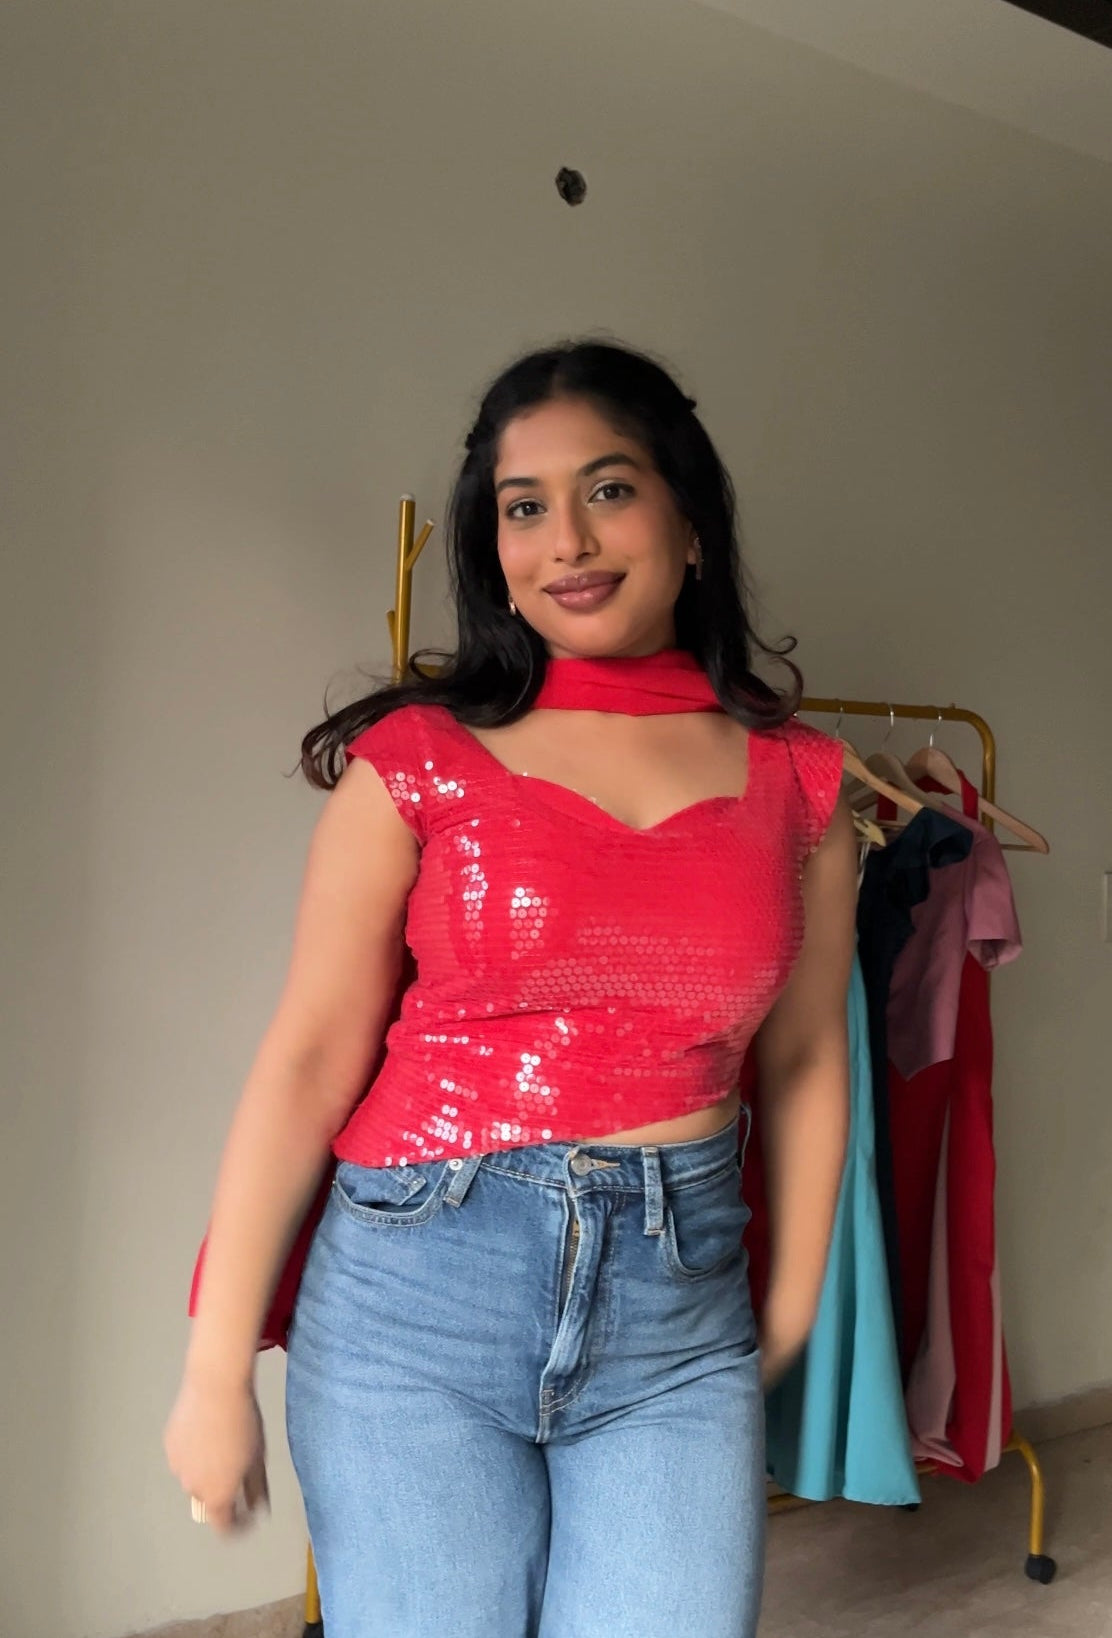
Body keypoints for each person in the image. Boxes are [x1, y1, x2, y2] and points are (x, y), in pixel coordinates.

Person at [165, 340, 856, 1638]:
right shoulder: (419, 757)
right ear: (494, 549)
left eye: (609, 489)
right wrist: (213, 1373)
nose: (567, 541)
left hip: (679, 1311)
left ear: (691, 523)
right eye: (523, 506)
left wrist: (792, 1305)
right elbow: (311, 1055)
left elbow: (810, 1055)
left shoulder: (802, 783)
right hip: (415, 1298)